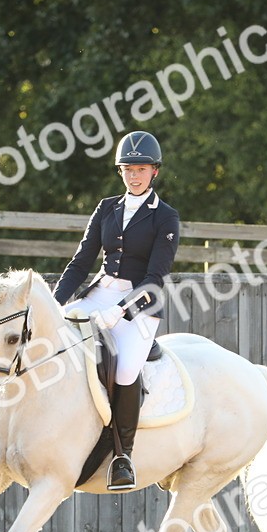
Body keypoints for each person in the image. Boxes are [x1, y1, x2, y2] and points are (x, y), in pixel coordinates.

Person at [53, 130, 180, 491]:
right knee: (53, 339)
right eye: (127, 169)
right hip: (100, 291)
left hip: (140, 305)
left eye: (141, 169)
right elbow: (80, 263)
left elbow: (155, 278)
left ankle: (123, 457)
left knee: (125, 370)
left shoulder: (165, 218)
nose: (134, 175)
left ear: (154, 172)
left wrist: (121, 312)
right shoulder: (106, 207)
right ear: (120, 172)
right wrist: (56, 303)